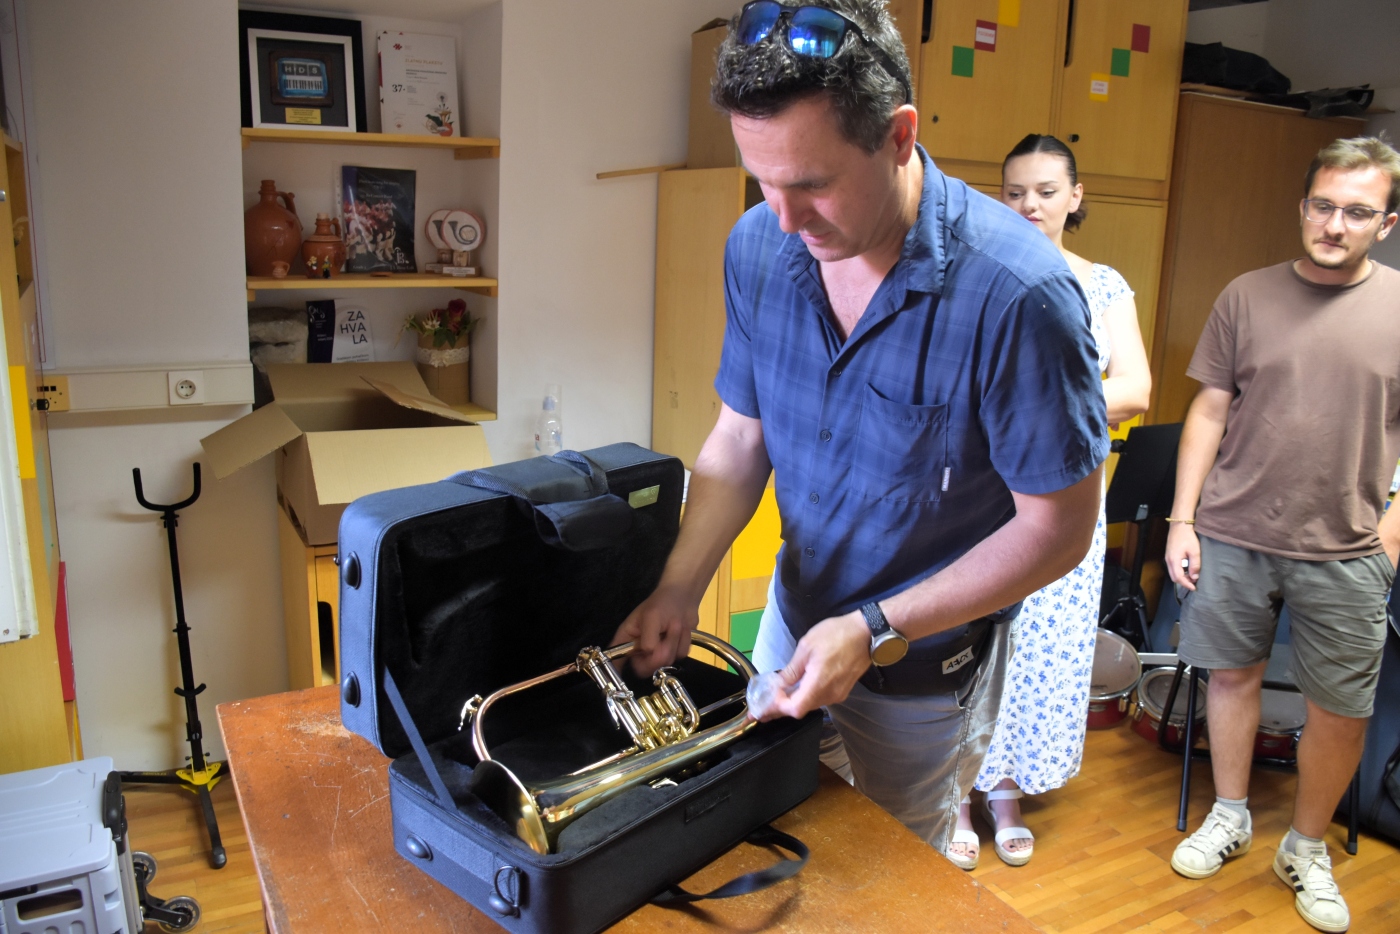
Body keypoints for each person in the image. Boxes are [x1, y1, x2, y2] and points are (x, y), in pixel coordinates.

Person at [613, 0, 1108, 867]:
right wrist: (681, 586)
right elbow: (740, 438)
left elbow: (1058, 531)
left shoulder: (1019, 296)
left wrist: (876, 626)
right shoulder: (758, 247)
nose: (784, 217)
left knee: (887, 876)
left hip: (920, 672)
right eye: (762, 181)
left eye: (811, 183)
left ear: (899, 135)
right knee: (762, 840)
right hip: (794, 620)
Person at [1164, 136, 1400, 934]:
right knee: (1232, 678)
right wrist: (1183, 519)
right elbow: (1209, 408)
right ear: (1303, 207)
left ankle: (1304, 847)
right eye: (1323, 205)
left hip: (1351, 548)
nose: (1335, 224)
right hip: (1233, 531)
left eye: (1357, 212)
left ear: (1387, 224)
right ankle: (1230, 815)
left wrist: (1393, 534)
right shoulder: (1246, 295)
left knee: (1342, 711)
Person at [968, 134, 1152, 867]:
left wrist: (1035, 404)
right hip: (979, 502)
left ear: (1075, 197)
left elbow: (1136, 388)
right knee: (968, 644)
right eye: (1015, 192)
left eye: (1046, 192)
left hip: (1067, 505)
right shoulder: (976, 274)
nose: (1029, 205)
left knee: (1039, 650)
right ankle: (954, 791)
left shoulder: (1103, 286)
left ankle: (1006, 790)